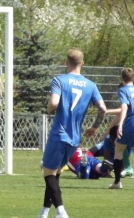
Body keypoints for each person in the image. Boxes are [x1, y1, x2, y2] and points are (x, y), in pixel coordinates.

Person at [38, 48, 107, 218]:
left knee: (48, 173)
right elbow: (103, 109)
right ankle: (44, 213)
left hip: (59, 134)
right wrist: (95, 127)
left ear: (66, 62)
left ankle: (61, 211)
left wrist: (49, 108)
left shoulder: (60, 80)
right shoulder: (91, 85)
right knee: (56, 173)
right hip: (75, 138)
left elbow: (53, 104)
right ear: (82, 64)